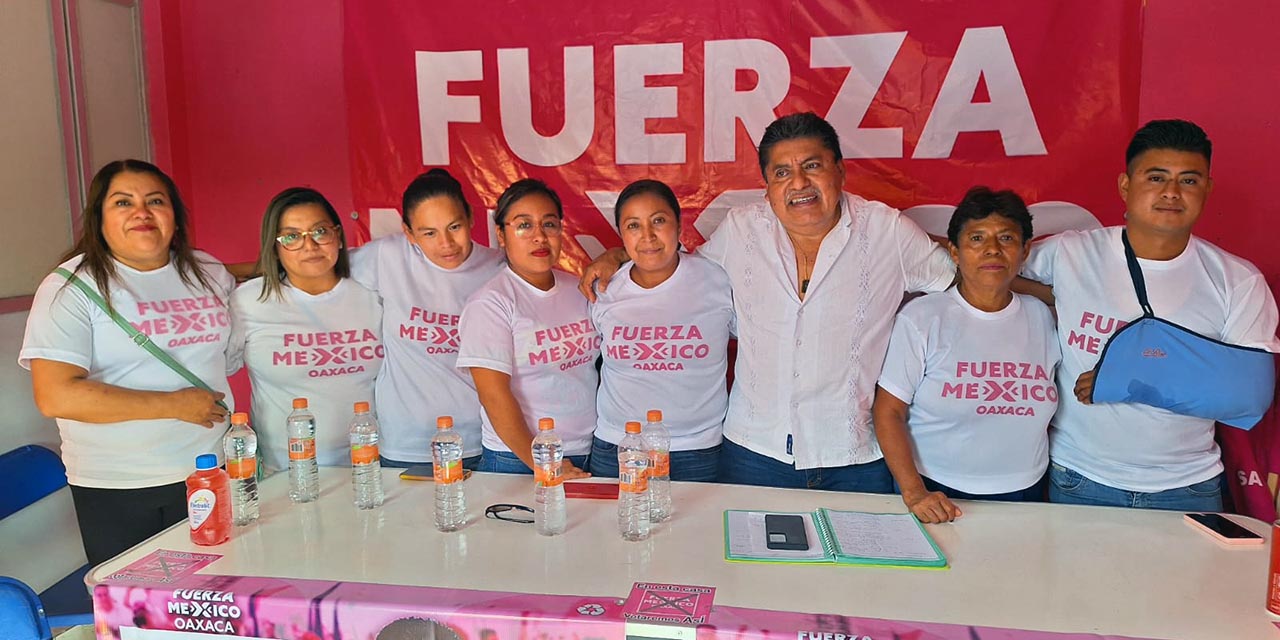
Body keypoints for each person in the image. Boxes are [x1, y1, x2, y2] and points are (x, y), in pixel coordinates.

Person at [581, 112, 955, 491]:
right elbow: (677, 270)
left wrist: (1014, 289)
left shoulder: (887, 231)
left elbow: (969, 278)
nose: (798, 183)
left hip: (853, 455)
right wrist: (620, 257)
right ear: (766, 187)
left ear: (839, 171)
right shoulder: (742, 229)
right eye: (781, 173)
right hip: (752, 452)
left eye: (812, 166)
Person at [1021, 119, 1280, 511]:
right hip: (1079, 477)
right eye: (1156, 177)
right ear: (1126, 186)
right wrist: (1050, 295)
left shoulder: (1236, 280)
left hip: (1187, 485)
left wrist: (1130, 379)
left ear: (1207, 189)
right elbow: (986, 271)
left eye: (1189, 181)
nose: (1172, 192)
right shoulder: (1071, 254)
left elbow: (1248, 397)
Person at [20, 159, 234, 565]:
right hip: (120, 486)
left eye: (156, 200)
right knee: (141, 616)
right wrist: (173, 404)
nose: (142, 212)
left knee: (218, 602)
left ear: (175, 214)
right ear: (98, 218)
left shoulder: (207, 272)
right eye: (123, 202)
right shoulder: (70, 287)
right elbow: (55, 396)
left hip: (211, 472)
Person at [873, 187, 1059, 523]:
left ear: (1024, 251)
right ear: (955, 253)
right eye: (976, 239)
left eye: (1006, 238)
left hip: (1026, 492)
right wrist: (914, 492)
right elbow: (888, 412)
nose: (992, 249)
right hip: (936, 491)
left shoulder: (1042, 317)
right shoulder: (922, 318)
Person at [349, 168, 504, 469]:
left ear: (471, 217)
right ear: (408, 233)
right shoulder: (388, 256)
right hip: (404, 443)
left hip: (478, 439)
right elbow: (312, 266)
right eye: (428, 233)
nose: (446, 243)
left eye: (454, 226)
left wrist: (612, 257)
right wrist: (231, 272)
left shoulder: (498, 268)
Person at [228, 187, 383, 472]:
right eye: (291, 237)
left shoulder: (373, 295)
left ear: (337, 236)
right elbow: (215, 368)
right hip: (286, 472)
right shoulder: (248, 301)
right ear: (274, 247)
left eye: (320, 231)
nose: (309, 246)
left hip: (369, 465)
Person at [588, 179, 734, 481]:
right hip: (619, 448)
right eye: (633, 226)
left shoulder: (716, 279)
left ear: (679, 225)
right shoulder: (604, 288)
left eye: (658, 221)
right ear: (621, 235)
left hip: (698, 451)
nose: (648, 236)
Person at [457, 179, 599, 476]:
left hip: (590, 449)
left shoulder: (579, 290)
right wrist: (541, 462)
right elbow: (494, 395)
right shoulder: (490, 303)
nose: (539, 237)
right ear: (502, 235)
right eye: (523, 225)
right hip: (519, 459)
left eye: (549, 224)